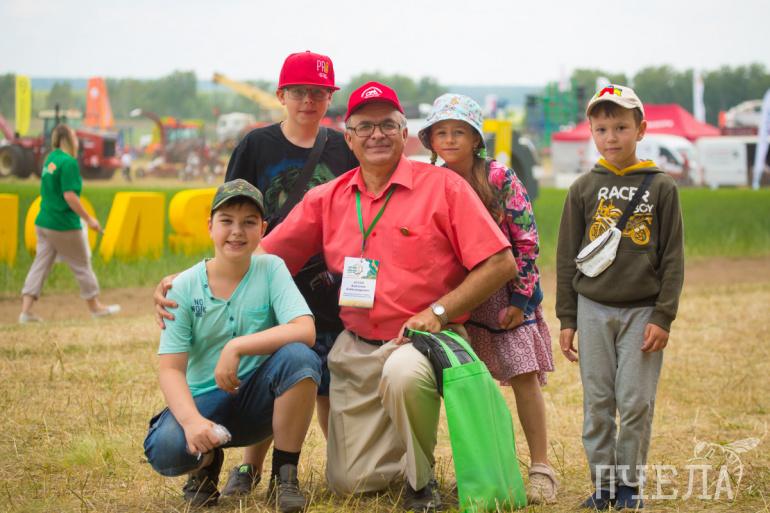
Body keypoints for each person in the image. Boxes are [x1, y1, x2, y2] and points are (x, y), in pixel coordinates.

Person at [242, 81, 515, 511]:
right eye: (365, 127)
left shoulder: (443, 187)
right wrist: (193, 279)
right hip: (357, 346)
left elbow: (501, 263)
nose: (377, 135)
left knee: (403, 375)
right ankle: (400, 456)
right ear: (349, 139)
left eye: (388, 125)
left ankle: (421, 482)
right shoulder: (327, 198)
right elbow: (267, 258)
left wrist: (439, 311)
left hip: (424, 339)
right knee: (350, 483)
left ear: (404, 133)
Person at [218, 49, 358, 496]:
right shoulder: (256, 145)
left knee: (331, 380)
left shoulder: (344, 146)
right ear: (281, 95)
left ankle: (342, 470)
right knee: (272, 372)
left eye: (318, 93)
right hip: (272, 278)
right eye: (299, 92)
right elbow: (231, 211)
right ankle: (250, 468)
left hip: (331, 282)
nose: (308, 101)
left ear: (330, 97)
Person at [143, 179, 321, 512]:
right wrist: (192, 422)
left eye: (249, 222)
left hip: (258, 400)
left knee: (300, 357)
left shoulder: (271, 269)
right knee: (165, 448)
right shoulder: (182, 288)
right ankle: (206, 464)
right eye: (226, 221)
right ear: (210, 226)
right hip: (204, 403)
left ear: (262, 229)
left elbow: (305, 329)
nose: (237, 231)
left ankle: (284, 477)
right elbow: (170, 370)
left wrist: (237, 346)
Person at [417, 93, 557, 505]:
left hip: (504, 292)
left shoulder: (499, 177)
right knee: (467, 384)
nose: (449, 139)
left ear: (476, 138)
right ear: (430, 140)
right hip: (459, 294)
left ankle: (541, 467)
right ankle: (483, 468)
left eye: (459, 132)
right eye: (441, 132)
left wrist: (522, 299)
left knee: (523, 374)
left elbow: (526, 239)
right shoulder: (433, 182)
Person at [556, 84, 684, 510]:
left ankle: (629, 487)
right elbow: (567, 258)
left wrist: (663, 316)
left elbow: (673, 258)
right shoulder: (582, 188)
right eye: (602, 129)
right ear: (592, 133)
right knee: (598, 404)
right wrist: (567, 318)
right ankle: (603, 488)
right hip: (591, 309)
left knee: (634, 402)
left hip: (642, 311)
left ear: (640, 130)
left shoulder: (662, 187)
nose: (611, 137)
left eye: (621, 127)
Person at [19, 124, 120, 323]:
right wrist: (89, 219)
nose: (77, 140)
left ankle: (25, 311)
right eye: (74, 136)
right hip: (62, 224)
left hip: (44, 221)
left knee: (40, 266)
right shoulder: (69, 162)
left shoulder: (51, 159)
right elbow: (70, 196)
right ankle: (96, 307)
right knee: (82, 264)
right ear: (67, 139)